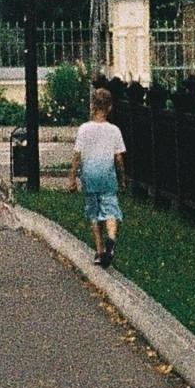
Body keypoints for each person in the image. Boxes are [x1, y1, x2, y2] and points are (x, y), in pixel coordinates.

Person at [73, 79, 127, 267]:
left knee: (94, 213)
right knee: (111, 208)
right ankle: (111, 239)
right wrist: (122, 179)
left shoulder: (84, 129)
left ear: (92, 105)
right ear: (109, 107)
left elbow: (77, 155)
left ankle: (99, 251)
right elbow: (119, 158)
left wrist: (72, 178)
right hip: (107, 175)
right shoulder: (114, 131)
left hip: (89, 176)